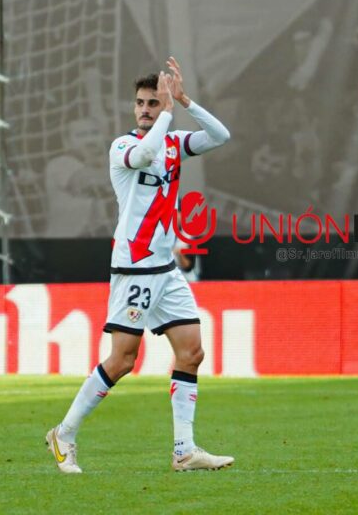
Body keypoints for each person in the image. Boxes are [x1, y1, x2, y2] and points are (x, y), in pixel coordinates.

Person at [46, 57, 233, 473]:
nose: (146, 109)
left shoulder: (173, 140)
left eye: (153, 102)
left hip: (166, 270)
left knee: (192, 351)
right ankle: (64, 433)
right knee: (123, 360)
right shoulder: (123, 146)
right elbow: (146, 153)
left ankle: (184, 450)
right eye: (141, 103)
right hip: (134, 267)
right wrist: (169, 113)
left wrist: (186, 100)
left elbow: (221, 136)